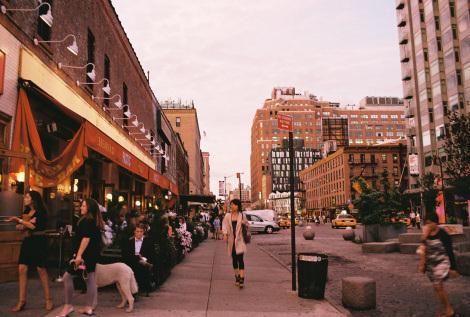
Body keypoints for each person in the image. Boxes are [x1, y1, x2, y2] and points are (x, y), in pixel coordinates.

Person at [57, 198, 104, 317]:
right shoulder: (93, 220)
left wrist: (78, 256)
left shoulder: (87, 221)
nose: (81, 207)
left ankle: (68, 306)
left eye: (83, 206)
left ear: (89, 208)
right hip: (91, 256)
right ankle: (89, 307)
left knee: (67, 277)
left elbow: (86, 238)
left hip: (84, 256)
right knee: (90, 279)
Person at [7, 190, 53, 312]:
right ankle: (21, 301)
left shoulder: (41, 212)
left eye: (27, 197)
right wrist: (21, 223)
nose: (25, 199)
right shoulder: (27, 211)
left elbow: (33, 226)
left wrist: (22, 221)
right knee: (22, 268)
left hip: (39, 241)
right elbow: (22, 227)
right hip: (28, 241)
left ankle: (48, 299)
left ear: (33, 199)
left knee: (41, 269)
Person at [418, 212, 458, 317]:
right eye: (426, 223)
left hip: (442, 262)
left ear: (435, 222)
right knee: (437, 288)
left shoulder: (443, 233)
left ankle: (449, 310)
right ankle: (445, 308)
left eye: (430, 223)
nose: (428, 225)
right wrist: (423, 264)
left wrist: (453, 267)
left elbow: (450, 251)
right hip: (431, 264)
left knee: (438, 286)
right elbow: (423, 248)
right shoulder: (426, 233)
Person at [122, 224, 156, 295]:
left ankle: (140, 288)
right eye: (137, 231)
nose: (139, 233)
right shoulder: (129, 242)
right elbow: (126, 255)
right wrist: (138, 259)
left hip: (144, 262)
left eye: (141, 231)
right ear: (134, 232)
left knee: (142, 266)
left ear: (143, 232)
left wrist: (144, 260)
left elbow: (151, 255)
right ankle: (133, 289)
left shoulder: (148, 242)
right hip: (132, 262)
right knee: (134, 264)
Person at [222, 199, 248, 289]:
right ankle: (237, 276)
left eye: (233, 205)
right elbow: (224, 225)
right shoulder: (227, 216)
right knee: (234, 260)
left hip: (240, 240)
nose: (232, 206)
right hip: (231, 241)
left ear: (237, 206)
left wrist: (244, 223)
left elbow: (248, 226)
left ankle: (242, 279)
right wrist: (225, 234)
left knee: (240, 259)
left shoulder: (242, 215)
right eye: (231, 205)